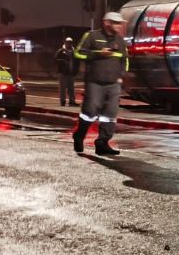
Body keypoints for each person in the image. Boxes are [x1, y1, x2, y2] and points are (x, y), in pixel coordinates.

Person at [72, 11, 129, 156]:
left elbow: (125, 60)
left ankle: (102, 143)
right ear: (106, 23)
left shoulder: (120, 41)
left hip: (113, 84)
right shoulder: (92, 36)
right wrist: (98, 53)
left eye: (120, 23)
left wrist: (121, 76)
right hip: (94, 82)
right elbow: (78, 53)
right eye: (115, 22)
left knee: (110, 114)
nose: (119, 25)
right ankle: (79, 135)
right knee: (90, 112)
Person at [54, 37, 78, 106]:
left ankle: (72, 101)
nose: (69, 44)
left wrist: (76, 70)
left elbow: (77, 62)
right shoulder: (61, 51)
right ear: (65, 43)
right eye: (67, 42)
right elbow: (55, 59)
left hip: (71, 72)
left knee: (71, 88)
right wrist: (63, 61)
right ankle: (63, 102)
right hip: (62, 73)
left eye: (70, 42)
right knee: (62, 88)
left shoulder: (74, 51)